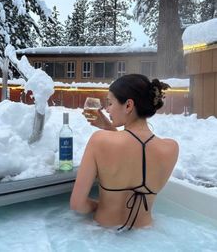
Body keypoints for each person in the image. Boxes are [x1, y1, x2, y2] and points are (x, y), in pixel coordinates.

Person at [70, 74, 179, 231]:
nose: (107, 109)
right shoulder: (171, 148)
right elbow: (136, 151)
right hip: (146, 236)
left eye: (110, 103)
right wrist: (111, 129)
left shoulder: (99, 140)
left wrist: (102, 206)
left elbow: (77, 204)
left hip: (103, 234)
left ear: (128, 105)